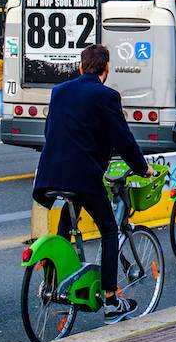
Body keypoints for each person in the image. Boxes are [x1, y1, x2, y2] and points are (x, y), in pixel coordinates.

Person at [33, 44, 153, 324]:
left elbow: (51, 129)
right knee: (109, 230)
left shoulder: (59, 91)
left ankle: (55, 282)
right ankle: (111, 300)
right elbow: (123, 138)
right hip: (83, 174)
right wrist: (142, 168)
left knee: (66, 219)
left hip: (50, 172)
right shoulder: (107, 95)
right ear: (106, 68)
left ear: (81, 66)